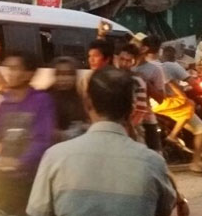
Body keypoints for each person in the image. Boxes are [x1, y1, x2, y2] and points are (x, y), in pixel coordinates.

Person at [26, 67, 178, 216]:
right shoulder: (152, 162)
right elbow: (165, 209)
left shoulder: (55, 157)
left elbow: (38, 211)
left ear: (87, 103)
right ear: (131, 109)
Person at [0, 53, 55, 215]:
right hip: (4, 178)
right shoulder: (6, 104)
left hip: (30, 180)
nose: (9, 73)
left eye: (15, 69)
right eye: (8, 68)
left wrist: (20, 162)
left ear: (28, 74)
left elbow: (42, 140)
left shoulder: (42, 101)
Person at [157, 45, 202, 172]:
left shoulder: (155, 65)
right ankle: (195, 162)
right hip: (171, 103)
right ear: (175, 56)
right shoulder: (173, 66)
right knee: (199, 128)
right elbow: (192, 82)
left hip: (155, 103)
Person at [135, 35, 166, 152]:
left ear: (144, 49)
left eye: (136, 43)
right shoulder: (123, 66)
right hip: (127, 120)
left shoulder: (155, 70)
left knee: (156, 157)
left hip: (147, 120)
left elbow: (160, 98)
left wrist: (146, 83)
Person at [48, 57, 87, 142]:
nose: (64, 78)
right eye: (59, 74)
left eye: (69, 74)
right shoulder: (46, 98)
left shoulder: (81, 98)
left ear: (75, 76)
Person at [116, 43, 149, 140]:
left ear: (133, 62)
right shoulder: (112, 77)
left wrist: (126, 129)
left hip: (131, 129)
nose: (124, 63)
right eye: (122, 59)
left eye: (128, 61)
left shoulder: (137, 81)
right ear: (117, 58)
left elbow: (140, 110)